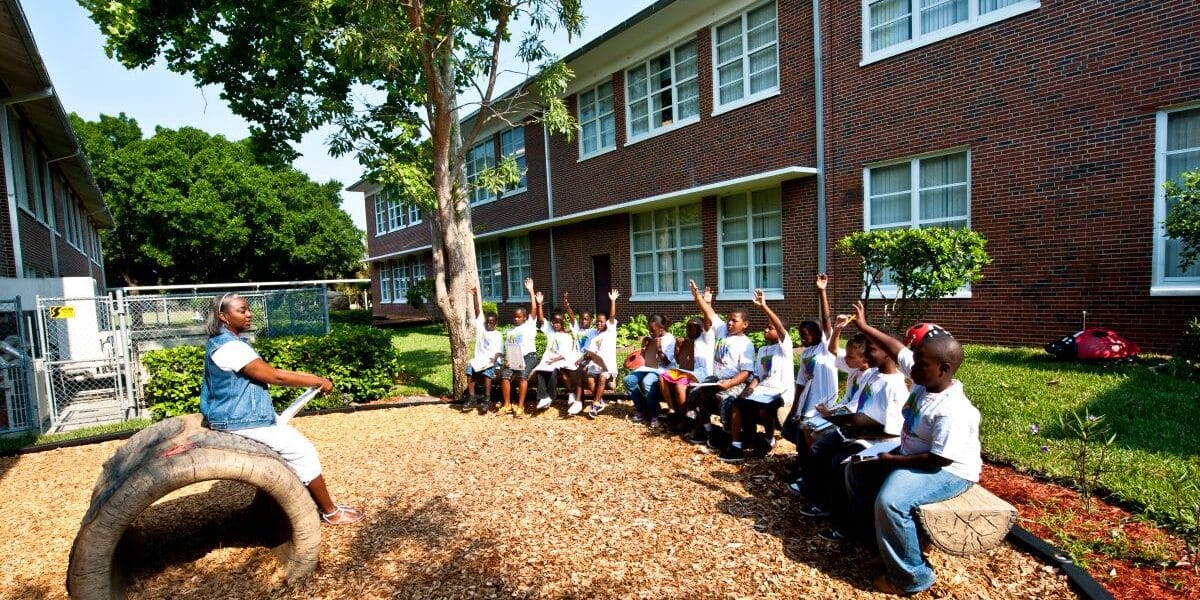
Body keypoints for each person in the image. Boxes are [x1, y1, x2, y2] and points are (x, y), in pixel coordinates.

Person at [839, 301, 981, 596]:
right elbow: (894, 348)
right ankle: (883, 547)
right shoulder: (924, 378)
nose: (911, 368)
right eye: (913, 362)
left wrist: (892, 460)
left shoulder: (952, 409)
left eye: (919, 365)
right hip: (912, 455)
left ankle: (910, 576)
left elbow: (938, 458)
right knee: (857, 472)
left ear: (944, 369)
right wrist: (864, 327)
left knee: (891, 500)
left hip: (949, 470)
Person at [200, 293, 363, 525]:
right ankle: (331, 512)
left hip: (236, 415)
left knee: (292, 447)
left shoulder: (223, 342)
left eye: (248, 309)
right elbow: (274, 375)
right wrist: (316, 380)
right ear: (223, 316)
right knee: (302, 451)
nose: (249, 314)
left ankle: (299, 504)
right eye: (241, 311)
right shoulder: (230, 348)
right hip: (239, 419)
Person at [719, 288, 794, 463]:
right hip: (761, 391)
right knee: (737, 405)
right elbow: (759, 375)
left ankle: (769, 440)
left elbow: (781, 330)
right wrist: (750, 388)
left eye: (770, 327)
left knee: (764, 410)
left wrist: (764, 306)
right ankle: (737, 447)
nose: (765, 329)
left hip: (780, 392)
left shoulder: (785, 348)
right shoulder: (762, 350)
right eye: (765, 327)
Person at [686, 279, 755, 446]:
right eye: (729, 320)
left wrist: (730, 383)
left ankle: (728, 435)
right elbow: (709, 313)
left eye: (735, 321)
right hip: (716, 378)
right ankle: (708, 431)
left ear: (745, 324)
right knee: (695, 394)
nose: (730, 323)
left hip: (734, 381)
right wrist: (697, 297)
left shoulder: (746, 344)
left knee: (726, 402)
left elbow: (746, 372)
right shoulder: (723, 329)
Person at [568, 289, 620, 418]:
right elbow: (590, 351)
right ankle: (600, 401)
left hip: (607, 365)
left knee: (602, 378)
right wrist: (583, 359)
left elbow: (612, 316)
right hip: (595, 364)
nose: (599, 323)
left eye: (602, 321)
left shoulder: (610, 332)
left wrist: (612, 301)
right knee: (589, 377)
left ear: (607, 323)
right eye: (597, 321)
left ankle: (595, 403)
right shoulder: (595, 334)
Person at [658, 316, 711, 430]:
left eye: (693, 327)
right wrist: (678, 347)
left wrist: (706, 302)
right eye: (688, 328)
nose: (690, 330)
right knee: (663, 377)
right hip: (687, 370)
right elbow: (678, 361)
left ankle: (684, 419)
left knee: (679, 386)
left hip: (700, 372)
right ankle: (672, 410)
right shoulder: (687, 341)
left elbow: (708, 322)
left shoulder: (705, 339)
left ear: (701, 329)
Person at [498, 278, 541, 418]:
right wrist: (506, 360)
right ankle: (507, 404)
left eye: (519, 317)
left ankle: (521, 407)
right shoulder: (510, 331)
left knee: (523, 376)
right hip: (514, 358)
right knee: (505, 375)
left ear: (525, 318)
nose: (516, 319)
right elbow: (509, 348)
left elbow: (534, 309)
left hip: (529, 357)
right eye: (515, 317)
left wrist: (531, 291)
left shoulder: (529, 326)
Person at [623, 314, 675, 426]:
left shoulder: (670, 340)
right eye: (649, 330)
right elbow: (647, 359)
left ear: (661, 328)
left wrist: (659, 348)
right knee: (628, 380)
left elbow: (667, 362)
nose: (650, 333)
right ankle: (642, 408)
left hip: (662, 369)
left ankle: (654, 414)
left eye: (653, 330)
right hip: (649, 367)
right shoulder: (651, 337)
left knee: (647, 381)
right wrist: (644, 351)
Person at [533, 291, 579, 411]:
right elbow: (542, 319)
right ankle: (543, 397)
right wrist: (539, 304)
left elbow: (566, 354)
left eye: (558, 322)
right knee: (540, 371)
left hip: (559, 361)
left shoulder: (567, 336)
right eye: (553, 322)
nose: (555, 325)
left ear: (563, 321)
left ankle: (551, 396)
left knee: (552, 371)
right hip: (548, 359)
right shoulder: (550, 331)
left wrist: (555, 359)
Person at [463, 284, 503, 413]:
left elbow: (498, 351)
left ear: (495, 323)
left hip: (491, 361)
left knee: (487, 373)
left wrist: (494, 359)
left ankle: (487, 398)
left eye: (492, 323)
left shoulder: (497, 335)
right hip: (479, 360)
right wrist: (474, 295)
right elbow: (477, 310)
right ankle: (472, 397)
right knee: (470, 370)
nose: (489, 324)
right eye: (487, 322)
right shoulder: (481, 328)